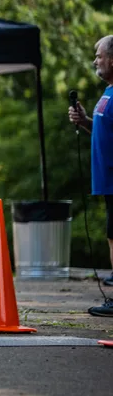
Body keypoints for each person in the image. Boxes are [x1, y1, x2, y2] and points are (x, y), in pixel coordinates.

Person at [69, 34, 113, 317]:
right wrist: (84, 121)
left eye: (99, 55)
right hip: (107, 181)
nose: (95, 60)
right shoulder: (108, 92)